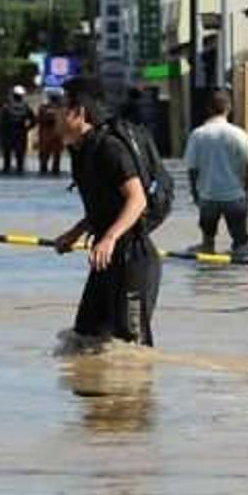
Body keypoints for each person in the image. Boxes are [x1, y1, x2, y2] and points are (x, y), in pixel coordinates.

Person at [53, 77, 161, 349]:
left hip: (133, 260)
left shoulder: (109, 148)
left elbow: (137, 200)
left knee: (131, 351)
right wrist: (75, 233)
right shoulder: (80, 150)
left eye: (61, 106)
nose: (54, 113)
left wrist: (110, 237)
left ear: (78, 113)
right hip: (105, 259)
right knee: (84, 338)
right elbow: (106, 205)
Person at [183, 90, 248, 257]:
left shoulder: (198, 134)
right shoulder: (239, 134)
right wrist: (246, 191)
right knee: (241, 248)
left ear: (209, 109)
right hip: (235, 197)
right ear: (229, 108)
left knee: (207, 247)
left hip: (208, 197)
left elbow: (192, 169)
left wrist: (195, 194)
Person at [0, 85, 35, 174]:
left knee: (7, 156)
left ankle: (6, 169)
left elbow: (2, 122)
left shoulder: (6, 107)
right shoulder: (26, 107)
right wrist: (27, 128)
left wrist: (1, 134)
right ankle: (20, 169)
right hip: (21, 132)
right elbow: (34, 120)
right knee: (20, 155)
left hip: (8, 133)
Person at [36, 90, 65, 176]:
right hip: (58, 135)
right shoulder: (62, 109)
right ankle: (55, 171)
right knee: (57, 157)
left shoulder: (43, 108)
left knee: (44, 157)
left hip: (46, 135)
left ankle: (43, 170)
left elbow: (38, 120)